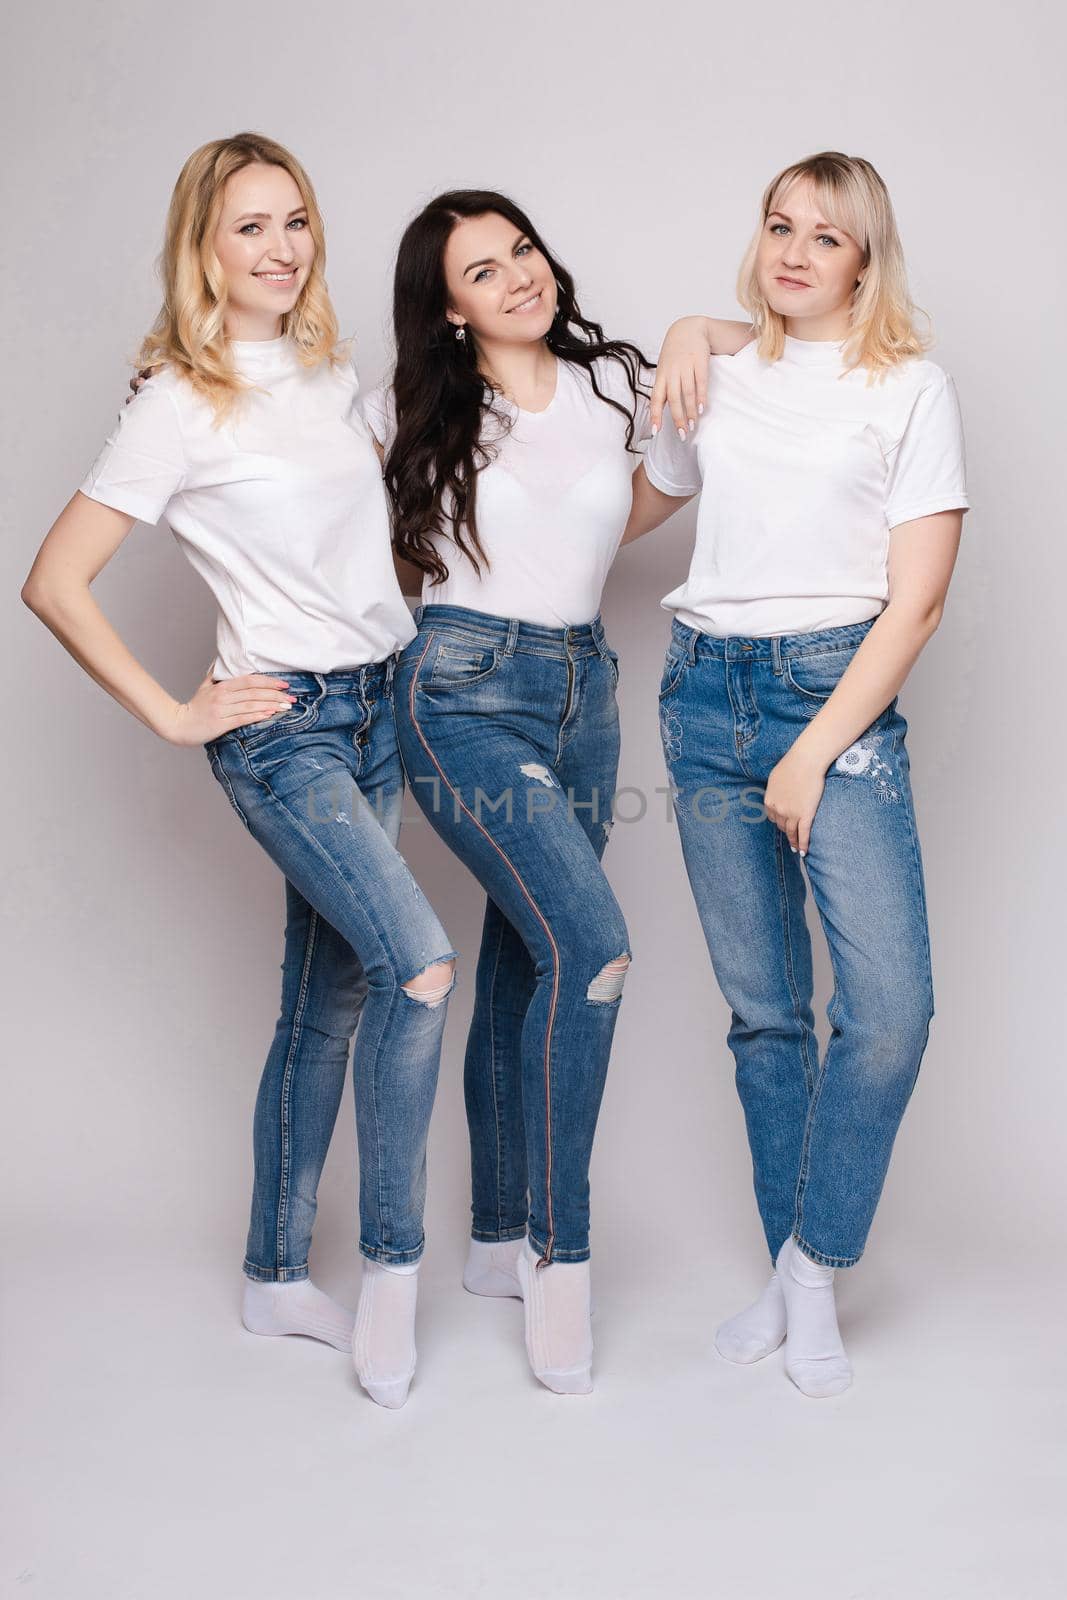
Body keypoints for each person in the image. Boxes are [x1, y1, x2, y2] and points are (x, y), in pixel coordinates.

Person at [20, 132, 456, 1411]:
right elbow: (53, 580)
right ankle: (389, 1270)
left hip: (378, 704)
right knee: (418, 967)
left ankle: (273, 1272)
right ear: (202, 250)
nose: (278, 249)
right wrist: (173, 711)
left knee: (322, 1003)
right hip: (285, 732)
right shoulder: (177, 402)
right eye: (248, 228)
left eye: (295, 222)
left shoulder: (328, 377)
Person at [626, 150, 969, 1397]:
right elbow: (622, 515)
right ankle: (787, 1264)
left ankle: (817, 1261)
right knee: (764, 1012)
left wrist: (813, 750)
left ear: (863, 260)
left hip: (834, 698)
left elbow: (917, 601)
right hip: (700, 689)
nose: (792, 252)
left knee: (885, 1012)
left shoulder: (908, 388)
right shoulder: (710, 373)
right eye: (778, 226)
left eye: (824, 237)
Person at [361, 190, 653, 1394]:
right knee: (590, 947)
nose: (518, 277)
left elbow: (647, 492)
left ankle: (490, 1237)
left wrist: (694, 330)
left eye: (521, 250)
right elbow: (290, 467)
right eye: (483, 270)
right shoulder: (410, 410)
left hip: (585, 683)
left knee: (529, 956)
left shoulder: (611, 388)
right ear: (447, 306)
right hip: (462, 686)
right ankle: (557, 1252)